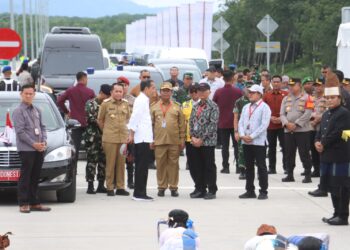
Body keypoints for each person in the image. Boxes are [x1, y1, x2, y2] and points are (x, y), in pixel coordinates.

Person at [316, 72, 350, 226]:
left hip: (340, 154)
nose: (329, 100)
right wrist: (317, 141)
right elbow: (319, 131)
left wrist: (322, 143)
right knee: (330, 185)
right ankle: (335, 213)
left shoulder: (344, 113)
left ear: (340, 99)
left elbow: (337, 133)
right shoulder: (326, 114)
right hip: (327, 154)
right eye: (327, 98)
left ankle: (342, 216)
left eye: (332, 98)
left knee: (341, 186)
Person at [12, 84, 51, 213]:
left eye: (31, 94)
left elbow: (43, 127)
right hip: (26, 149)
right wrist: (34, 144)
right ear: (21, 94)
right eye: (26, 93)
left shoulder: (37, 110)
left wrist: (44, 141)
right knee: (26, 176)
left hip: (39, 148)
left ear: (34, 95)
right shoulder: (18, 111)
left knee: (35, 176)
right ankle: (23, 203)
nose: (28, 96)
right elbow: (20, 132)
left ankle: (34, 202)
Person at [151, 82, 186, 197]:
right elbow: (150, 125)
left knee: (173, 165)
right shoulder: (154, 107)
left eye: (168, 91)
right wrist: (151, 139)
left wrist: (182, 139)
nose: (166, 93)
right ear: (160, 92)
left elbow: (182, 124)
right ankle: (161, 187)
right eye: (163, 90)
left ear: (171, 92)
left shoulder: (177, 106)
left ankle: (173, 187)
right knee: (160, 164)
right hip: (159, 141)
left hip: (174, 140)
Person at [238, 84, 271, 200]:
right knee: (249, 167)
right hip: (246, 142)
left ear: (259, 94)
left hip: (259, 142)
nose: (250, 94)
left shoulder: (264, 107)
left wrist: (251, 136)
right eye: (249, 92)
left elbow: (264, 125)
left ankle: (263, 191)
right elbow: (241, 122)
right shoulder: (246, 107)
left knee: (261, 167)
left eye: (252, 92)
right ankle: (249, 190)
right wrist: (242, 135)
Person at [98, 83, 130, 197]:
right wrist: (106, 131)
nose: (118, 93)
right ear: (111, 92)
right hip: (110, 138)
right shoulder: (106, 104)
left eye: (120, 91)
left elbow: (128, 119)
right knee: (110, 164)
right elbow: (100, 120)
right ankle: (110, 187)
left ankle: (120, 187)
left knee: (121, 164)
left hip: (122, 138)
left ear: (123, 92)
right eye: (116, 91)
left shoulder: (126, 104)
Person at [189, 82, 219, 200]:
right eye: (199, 91)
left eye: (204, 91)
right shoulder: (196, 106)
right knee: (197, 166)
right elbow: (191, 122)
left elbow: (213, 124)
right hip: (195, 140)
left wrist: (201, 139)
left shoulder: (213, 106)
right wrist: (192, 137)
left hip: (207, 142)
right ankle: (200, 188)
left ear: (209, 92)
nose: (201, 93)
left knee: (209, 166)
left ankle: (212, 189)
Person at [280, 78, 314, 183]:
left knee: (304, 153)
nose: (290, 87)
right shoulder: (286, 98)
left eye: (293, 85)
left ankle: (307, 174)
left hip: (302, 130)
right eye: (289, 85)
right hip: (288, 130)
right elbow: (282, 114)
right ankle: (290, 174)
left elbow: (308, 113)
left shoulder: (308, 98)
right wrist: (286, 123)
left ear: (299, 85)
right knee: (289, 153)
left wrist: (297, 124)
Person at [128, 79, 157, 201]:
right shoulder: (141, 100)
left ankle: (141, 192)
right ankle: (139, 193)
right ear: (146, 89)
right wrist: (131, 134)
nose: (154, 91)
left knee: (143, 167)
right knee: (141, 167)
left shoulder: (144, 100)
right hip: (141, 138)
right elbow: (135, 117)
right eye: (153, 88)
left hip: (145, 137)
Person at [57, 71, 95, 161]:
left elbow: (59, 101)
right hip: (87, 123)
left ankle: (73, 172)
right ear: (84, 79)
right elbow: (95, 105)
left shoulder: (70, 90)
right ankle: (89, 172)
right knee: (90, 149)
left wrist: (67, 111)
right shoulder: (90, 92)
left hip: (75, 123)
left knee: (75, 149)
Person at [83, 84, 111, 194]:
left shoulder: (107, 104)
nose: (108, 97)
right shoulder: (91, 103)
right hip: (93, 137)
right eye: (107, 95)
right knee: (92, 161)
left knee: (103, 161)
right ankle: (90, 185)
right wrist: (104, 126)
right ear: (102, 93)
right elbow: (92, 119)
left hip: (104, 137)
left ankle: (101, 184)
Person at [213, 70, 242, 174]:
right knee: (237, 145)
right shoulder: (238, 91)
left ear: (223, 79)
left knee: (224, 146)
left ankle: (225, 167)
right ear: (233, 78)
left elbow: (214, 105)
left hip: (222, 122)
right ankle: (239, 166)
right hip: (236, 123)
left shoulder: (218, 92)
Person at [263, 75, 288, 174]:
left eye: (278, 82)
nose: (276, 83)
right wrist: (270, 118)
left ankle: (286, 167)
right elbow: (263, 110)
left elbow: (289, 109)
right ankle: (272, 168)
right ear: (271, 83)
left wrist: (281, 119)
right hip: (271, 125)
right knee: (271, 148)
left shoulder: (286, 95)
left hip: (283, 125)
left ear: (281, 83)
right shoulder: (266, 95)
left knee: (285, 147)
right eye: (274, 82)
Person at [234, 81, 255, 179]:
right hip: (242, 130)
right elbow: (236, 117)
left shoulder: (258, 101)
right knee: (241, 151)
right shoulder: (239, 101)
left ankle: (255, 170)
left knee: (257, 151)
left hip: (255, 131)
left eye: (251, 90)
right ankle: (242, 171)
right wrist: (236, 131)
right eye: (248, 89)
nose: (249, 92)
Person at [118, 76, 136, 189]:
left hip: (129, 132)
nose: (123, 87)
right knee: (118, 159)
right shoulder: (114, 98)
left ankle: (130, 181)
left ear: (128, 86)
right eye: (120, 85)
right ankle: (118, 182)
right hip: (117, 133)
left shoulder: (133, 100)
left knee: (130, 158)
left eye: (124, 85)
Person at [182, 84, 200, 182]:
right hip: (188, 138)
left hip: (201, 139)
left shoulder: (204, 104)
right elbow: (182, 121)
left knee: (200, 163)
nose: (194, 94)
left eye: (195, 92)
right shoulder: (185, 104)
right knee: (191, 163)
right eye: (191, 92)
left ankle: (202, 184)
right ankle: (196, 184)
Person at [309, 78, 326, 178]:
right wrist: (313, 119)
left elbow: (328, 111)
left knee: (321, 148)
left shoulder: (327, 98)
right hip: (312, 127)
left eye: (319, 85)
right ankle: (315, 169)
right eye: (315, 85)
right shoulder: (311, 99)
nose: (317, 87)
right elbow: (308, 111)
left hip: (322, 126)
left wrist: (318, 119)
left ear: (323, 86)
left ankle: (322, 169)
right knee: (313, 148)